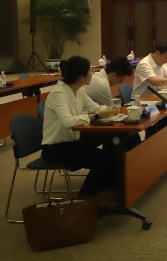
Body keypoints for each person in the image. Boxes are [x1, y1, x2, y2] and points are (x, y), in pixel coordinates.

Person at [41, 56, 119, 197]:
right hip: (55, 149)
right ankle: (84, 200)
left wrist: (110, 109)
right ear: (81, 77)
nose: (92, 74)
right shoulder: (59, 93)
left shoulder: (79, 91)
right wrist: (97, 116)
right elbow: (68, 122)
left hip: (72, 142)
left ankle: (110, 187)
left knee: (109, 154)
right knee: (101, 160)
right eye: (90, 72)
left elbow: (96, 108)